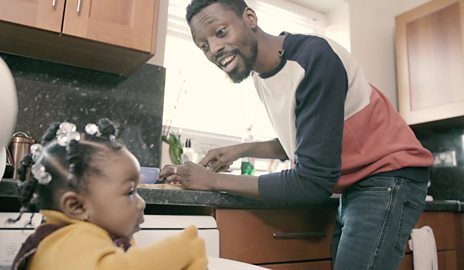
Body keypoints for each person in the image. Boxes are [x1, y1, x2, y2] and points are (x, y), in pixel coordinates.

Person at [159, 1, 434, 269]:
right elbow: (307, 138)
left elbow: (313, 183)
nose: (215, 49)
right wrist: (240, 150)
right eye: (203, 46)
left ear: (250, 18)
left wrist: (212, 180)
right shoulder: (260, 75)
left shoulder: (314, 57)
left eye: (221, 32)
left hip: (390, 174)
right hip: (359, 182)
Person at [11, 118, 207, 270]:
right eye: (130, 192)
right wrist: (182, 250)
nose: (141, 204)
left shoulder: (98, 239)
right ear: (77, 207)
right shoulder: (69, 240)